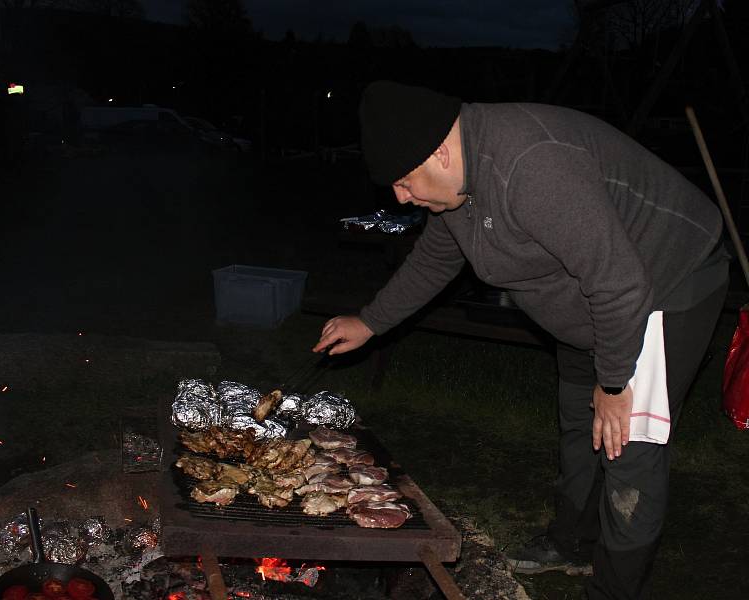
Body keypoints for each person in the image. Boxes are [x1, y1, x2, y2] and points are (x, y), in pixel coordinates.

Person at [312, 80, 729, 600]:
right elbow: (438, 257)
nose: (401, 197)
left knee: (629, 455)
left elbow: (620, 283)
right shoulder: (458, 183)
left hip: (666, 280)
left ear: (439, 152)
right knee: (580, 420)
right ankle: (572, 542)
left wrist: (616, 382)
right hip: (594, 301)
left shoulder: (532, 167)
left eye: (403, 181)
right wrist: (371, 321)